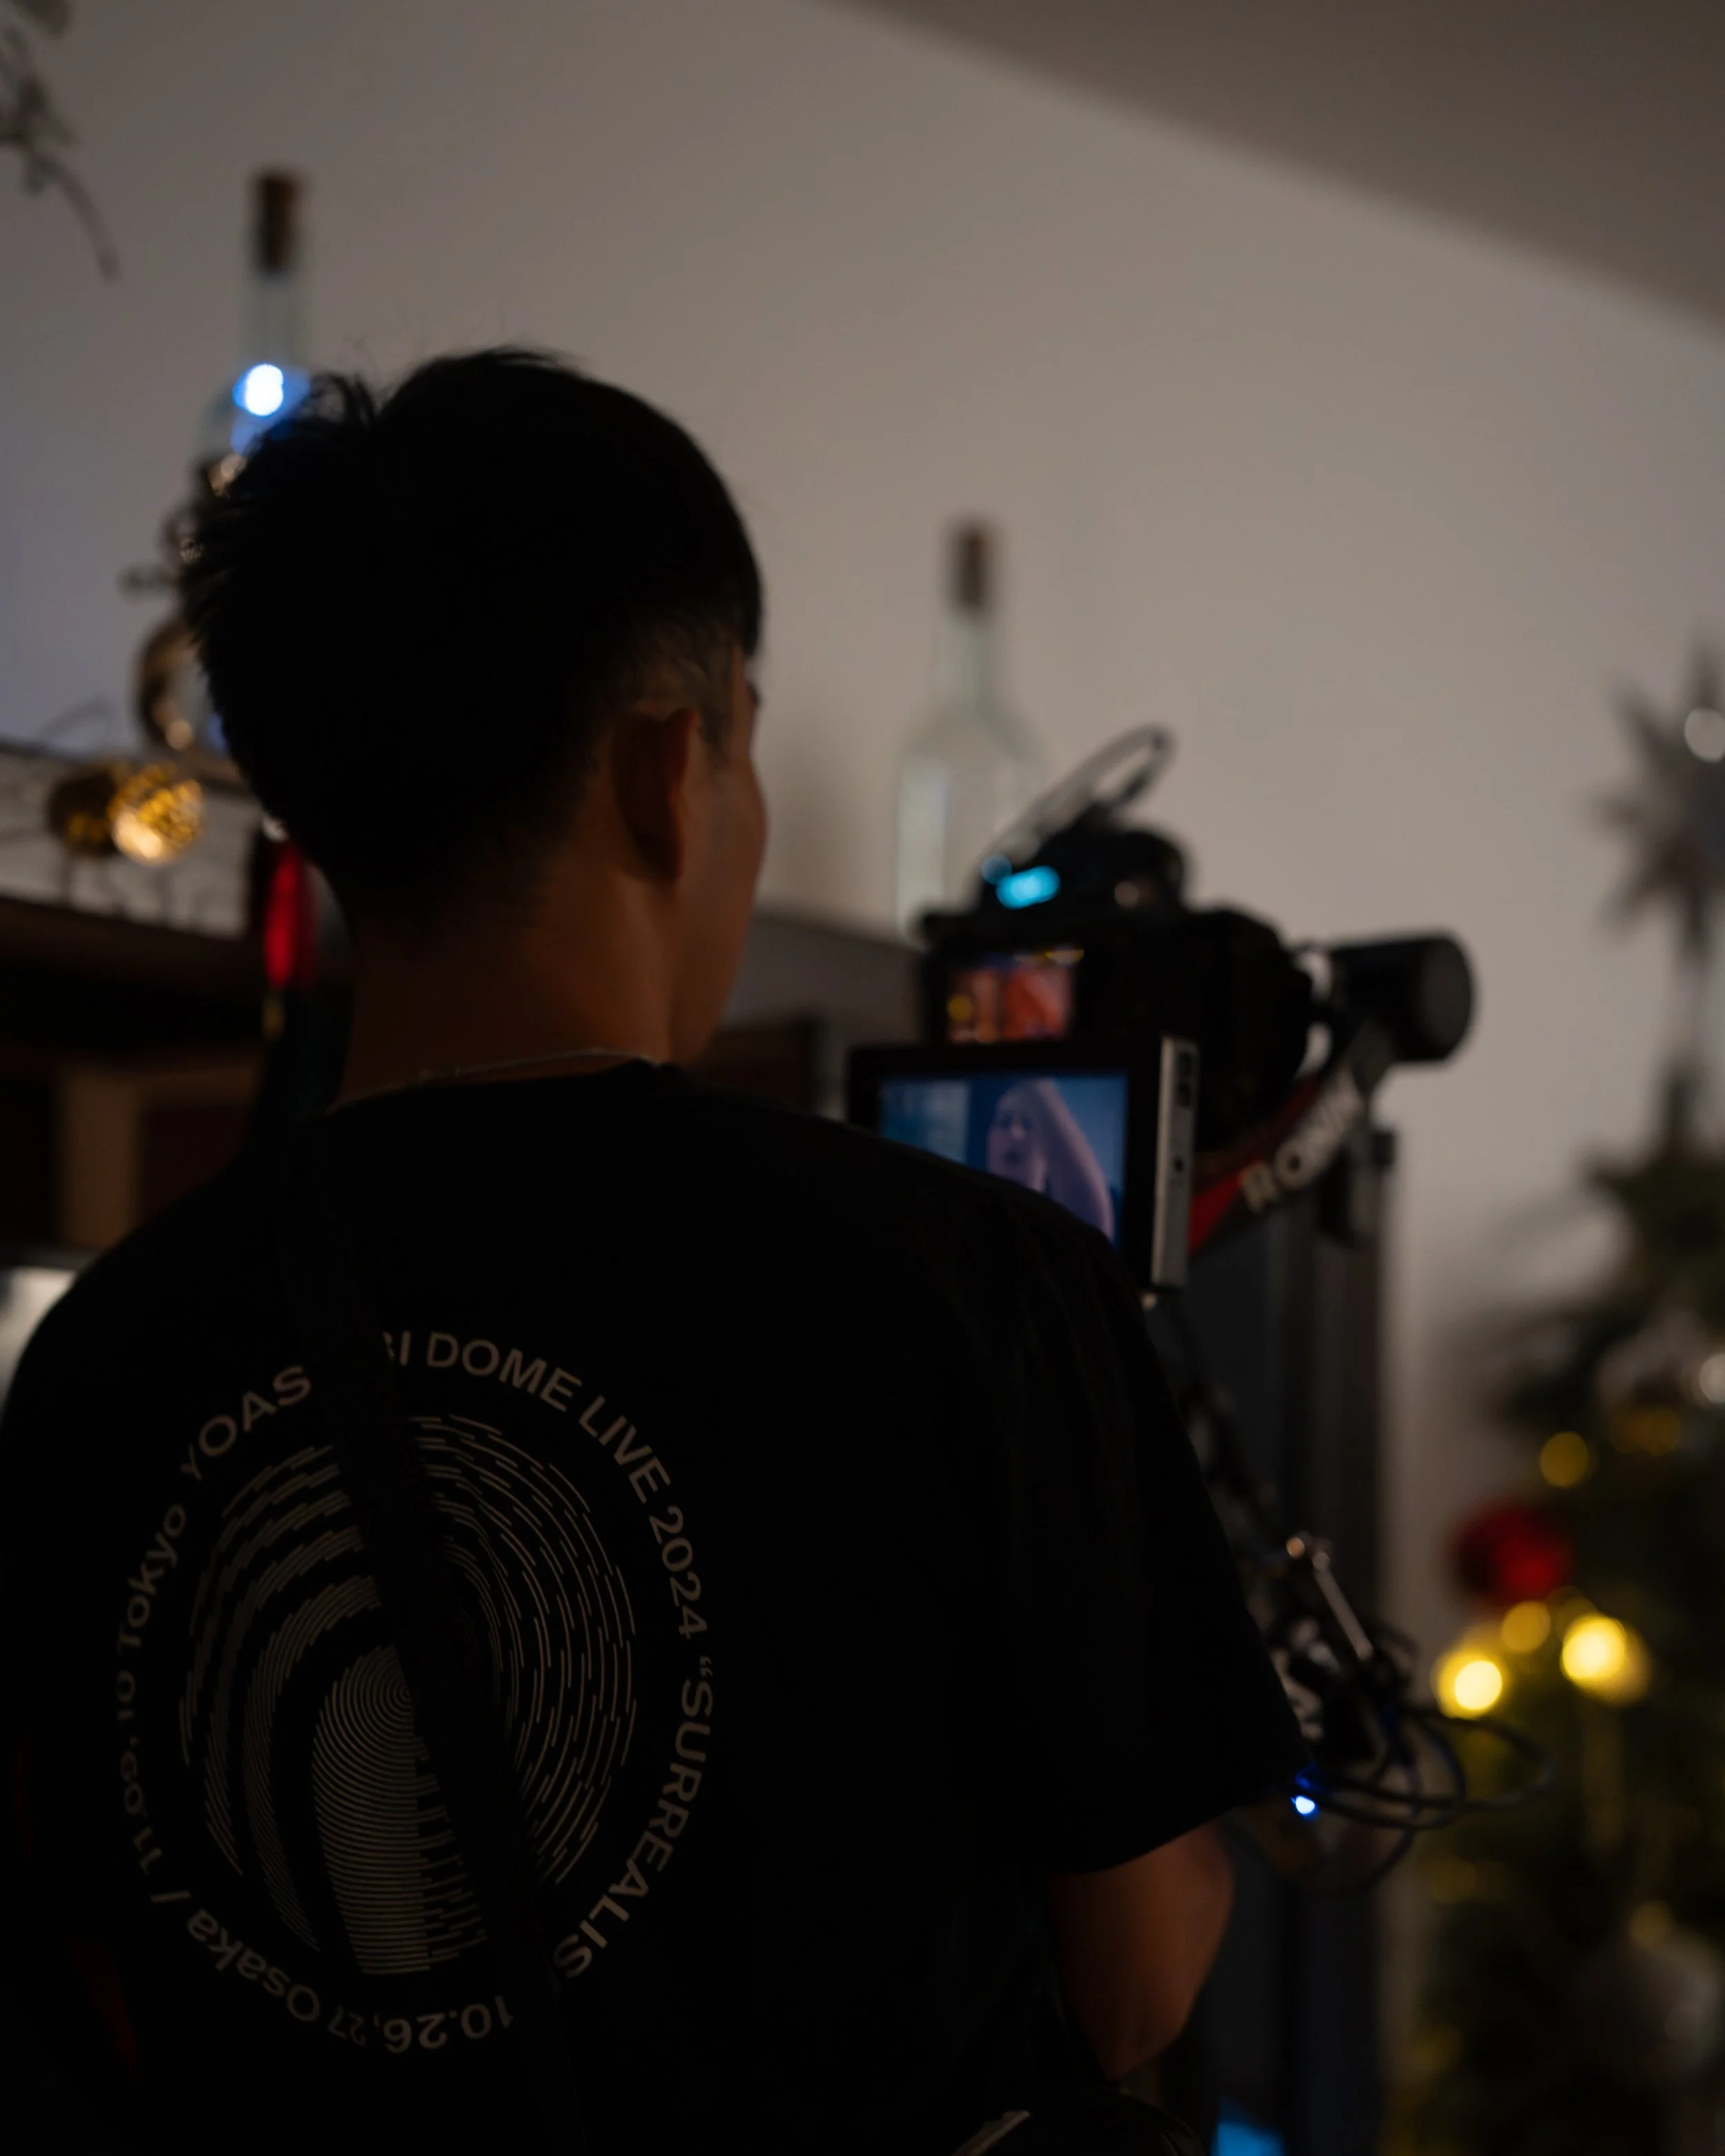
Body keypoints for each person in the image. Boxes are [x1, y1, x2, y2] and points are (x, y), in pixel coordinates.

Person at [0, 351, 1301, 2154]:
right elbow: (1138, 1976)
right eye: (746, 740)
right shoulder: (965, 1281)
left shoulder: (107, 1353)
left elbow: (102, 1974)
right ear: (670, 772)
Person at [984, 1080, 1116, 1240]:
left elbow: (1089, 1229)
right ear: (989, 1140)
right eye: (1005, 1122)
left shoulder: (1058, 1231)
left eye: (1028, 1124)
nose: (1014, 1133)